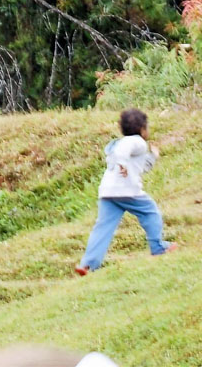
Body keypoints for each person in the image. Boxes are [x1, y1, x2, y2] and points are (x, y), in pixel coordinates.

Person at [75, 107, 177, 274]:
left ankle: (88, 264)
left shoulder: (124, 145)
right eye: (147, 127)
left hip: (108, 192)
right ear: (142, 129)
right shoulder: (136, 141)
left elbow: (141, 167)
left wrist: (153, 156)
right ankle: (158, 247)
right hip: (127, 190)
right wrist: (122, 164)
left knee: (103, 227)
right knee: (150, 212)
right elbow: (123, 153)